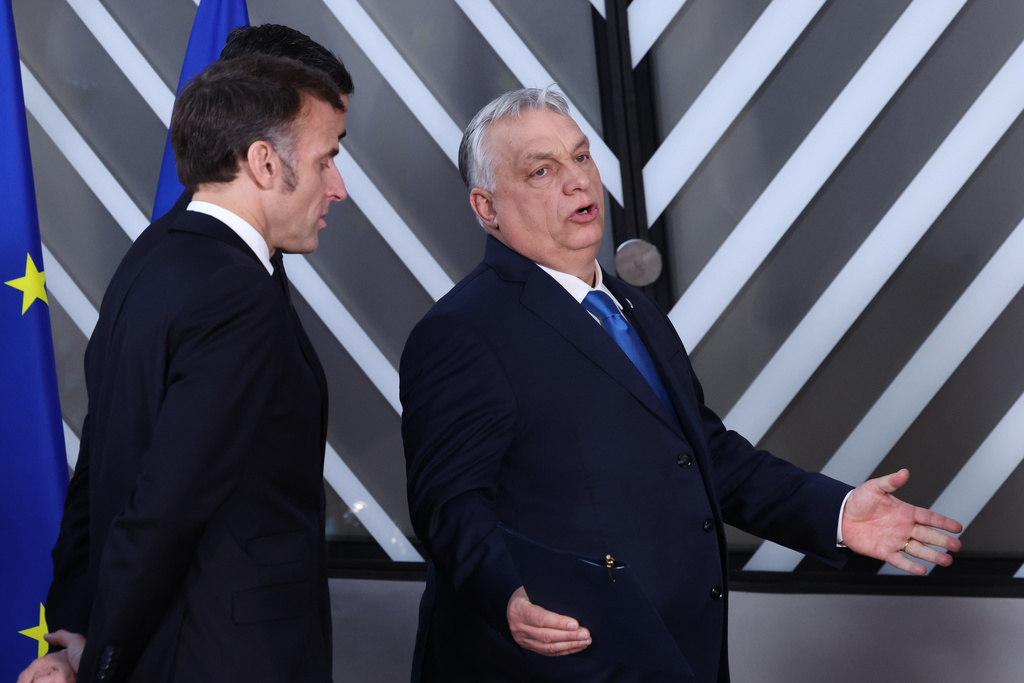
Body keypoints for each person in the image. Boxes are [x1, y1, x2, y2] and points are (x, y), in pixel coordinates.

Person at [399, 87, 963, 683]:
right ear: (487, 208)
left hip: (676, 653)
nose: (577, 181)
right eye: (541, 169)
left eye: (581, 157)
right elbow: (449, 502)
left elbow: (704, 455)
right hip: (559, 661)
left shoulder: (635, 309)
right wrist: (506, 595)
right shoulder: (462, 331)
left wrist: (839, 514)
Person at [19, 53, 348, 683]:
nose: (337, 187)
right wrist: (101, 664)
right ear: (264, 162)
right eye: (325, 160)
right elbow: (167, 502)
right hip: (226, 659)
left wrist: (81, 631)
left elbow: (104, 464)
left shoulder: (147, 263)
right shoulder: (239, 294)